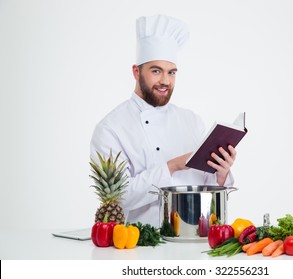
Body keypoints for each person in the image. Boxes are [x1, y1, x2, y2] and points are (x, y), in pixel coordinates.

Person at [90, 14, 237, 227]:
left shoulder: (192, 120)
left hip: (197, 235)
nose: (165, 81)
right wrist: (172, 166)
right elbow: (118, 199)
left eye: (171, 72)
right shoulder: (111, 128)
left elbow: (207, 186)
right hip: (142, 241)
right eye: (156, 71)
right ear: (136, 71)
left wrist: (221, 174)